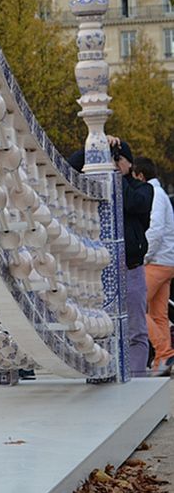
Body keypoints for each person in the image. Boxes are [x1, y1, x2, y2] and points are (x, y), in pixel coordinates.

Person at [70, 137, 153, 376]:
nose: (114, 164)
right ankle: (105, 373)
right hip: (100, 273)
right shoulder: (96, 186)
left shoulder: (142, 189)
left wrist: (114, 172)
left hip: (131, 267)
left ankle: (136, 377)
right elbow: (70, 167)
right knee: (100, 329)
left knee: (136, 330)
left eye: (119, 160)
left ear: (130, 164)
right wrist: (94, 148)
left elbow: (128, 202)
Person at [133, 157, 174, 375]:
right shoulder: (161, 194)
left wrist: (143, 255)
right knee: (159, 315)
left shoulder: (154, 194)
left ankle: (165, 353)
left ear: (140, 175)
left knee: (134, 308)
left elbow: (155, 229)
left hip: (156, 262)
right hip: (166, 262)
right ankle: (163, 362)